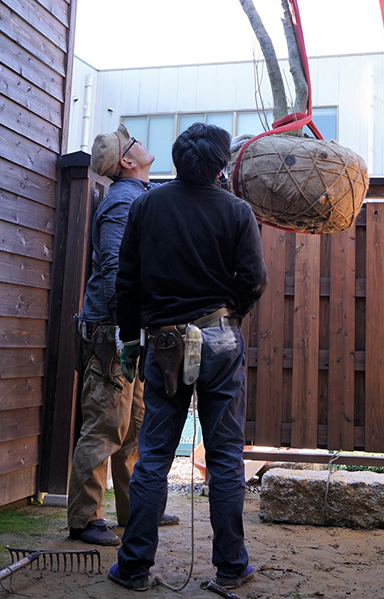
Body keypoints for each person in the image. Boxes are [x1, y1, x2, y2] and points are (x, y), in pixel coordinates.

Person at [108, 123, 268, 592]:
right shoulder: (238, 211)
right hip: (220, 338)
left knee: (154, 455)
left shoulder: (145, 206)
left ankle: (134, 566)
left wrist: (130, 338)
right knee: (223, 458)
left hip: (163, 343)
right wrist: (230, 311)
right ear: (221, 165)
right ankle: (231, 567)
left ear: (179, 160)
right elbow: (254, 278)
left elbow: (128, 280)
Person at [68, 122, 179, 548]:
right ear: (127, 162)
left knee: (133, 424)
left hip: (128, 330)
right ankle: (84, 519)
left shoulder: (140, 198)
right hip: (111, 332)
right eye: (133, 143)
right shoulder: (120, 205)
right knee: (105, 423)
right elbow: (114, 271)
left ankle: (135, 510)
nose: (141, 143)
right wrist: (125, 330)